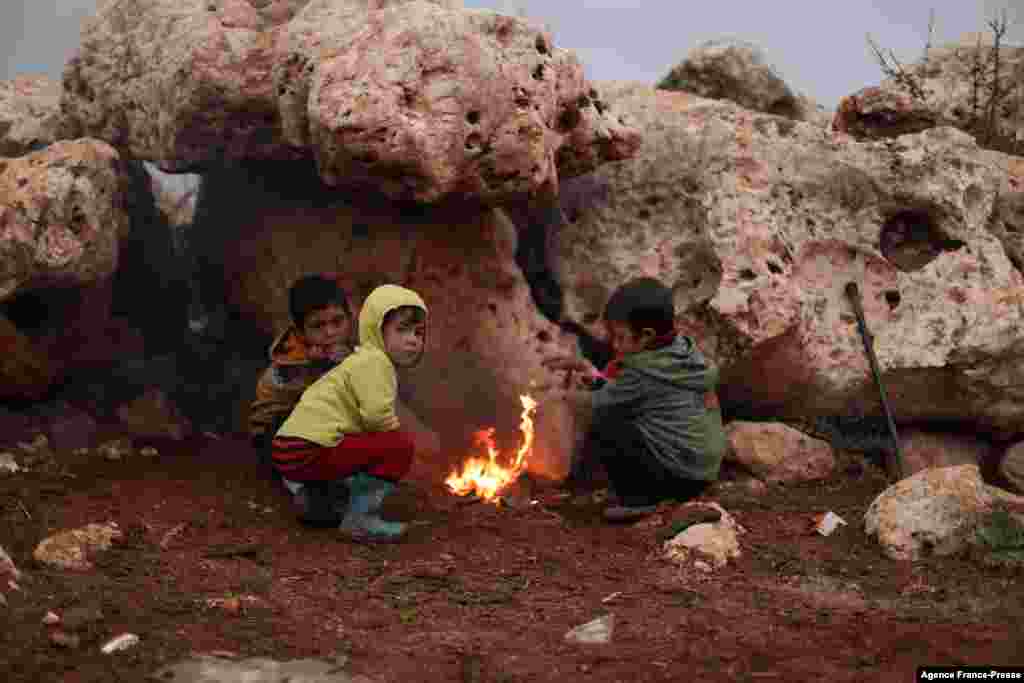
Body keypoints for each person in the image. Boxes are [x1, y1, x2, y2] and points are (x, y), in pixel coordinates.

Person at [547, 277, 726, 522]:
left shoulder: (642, 372)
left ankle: (640, 501)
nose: (614, 344)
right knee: (619, 410)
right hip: (701, 472)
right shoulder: (680, 352)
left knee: (606, 420)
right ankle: (651, 493)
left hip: (678, 476)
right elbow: (628, 392)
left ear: (646, 336)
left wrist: (545, 398)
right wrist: (593, 376)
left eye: (620, 337)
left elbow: (598, 403)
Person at [271, 284, 428, 542]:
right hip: (307, 447)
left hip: (289, 447)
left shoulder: (361, 358)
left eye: (418, 332)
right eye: (402, 330)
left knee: (361, 446)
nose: (412, 339)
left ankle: (318, 504)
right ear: (376, 329)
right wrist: (398, 443)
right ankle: (360, 520)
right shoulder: (375, 362)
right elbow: (377, 418)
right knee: (398, 447)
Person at [248, 274, 355, 524]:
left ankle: (336, 484)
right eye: (318, 326)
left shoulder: (346, 353)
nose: (330, 332)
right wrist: (319, 370)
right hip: (277, 438)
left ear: (349, 319)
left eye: (337, 321)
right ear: (300, 331)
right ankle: (307, 494)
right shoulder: (292, 360)